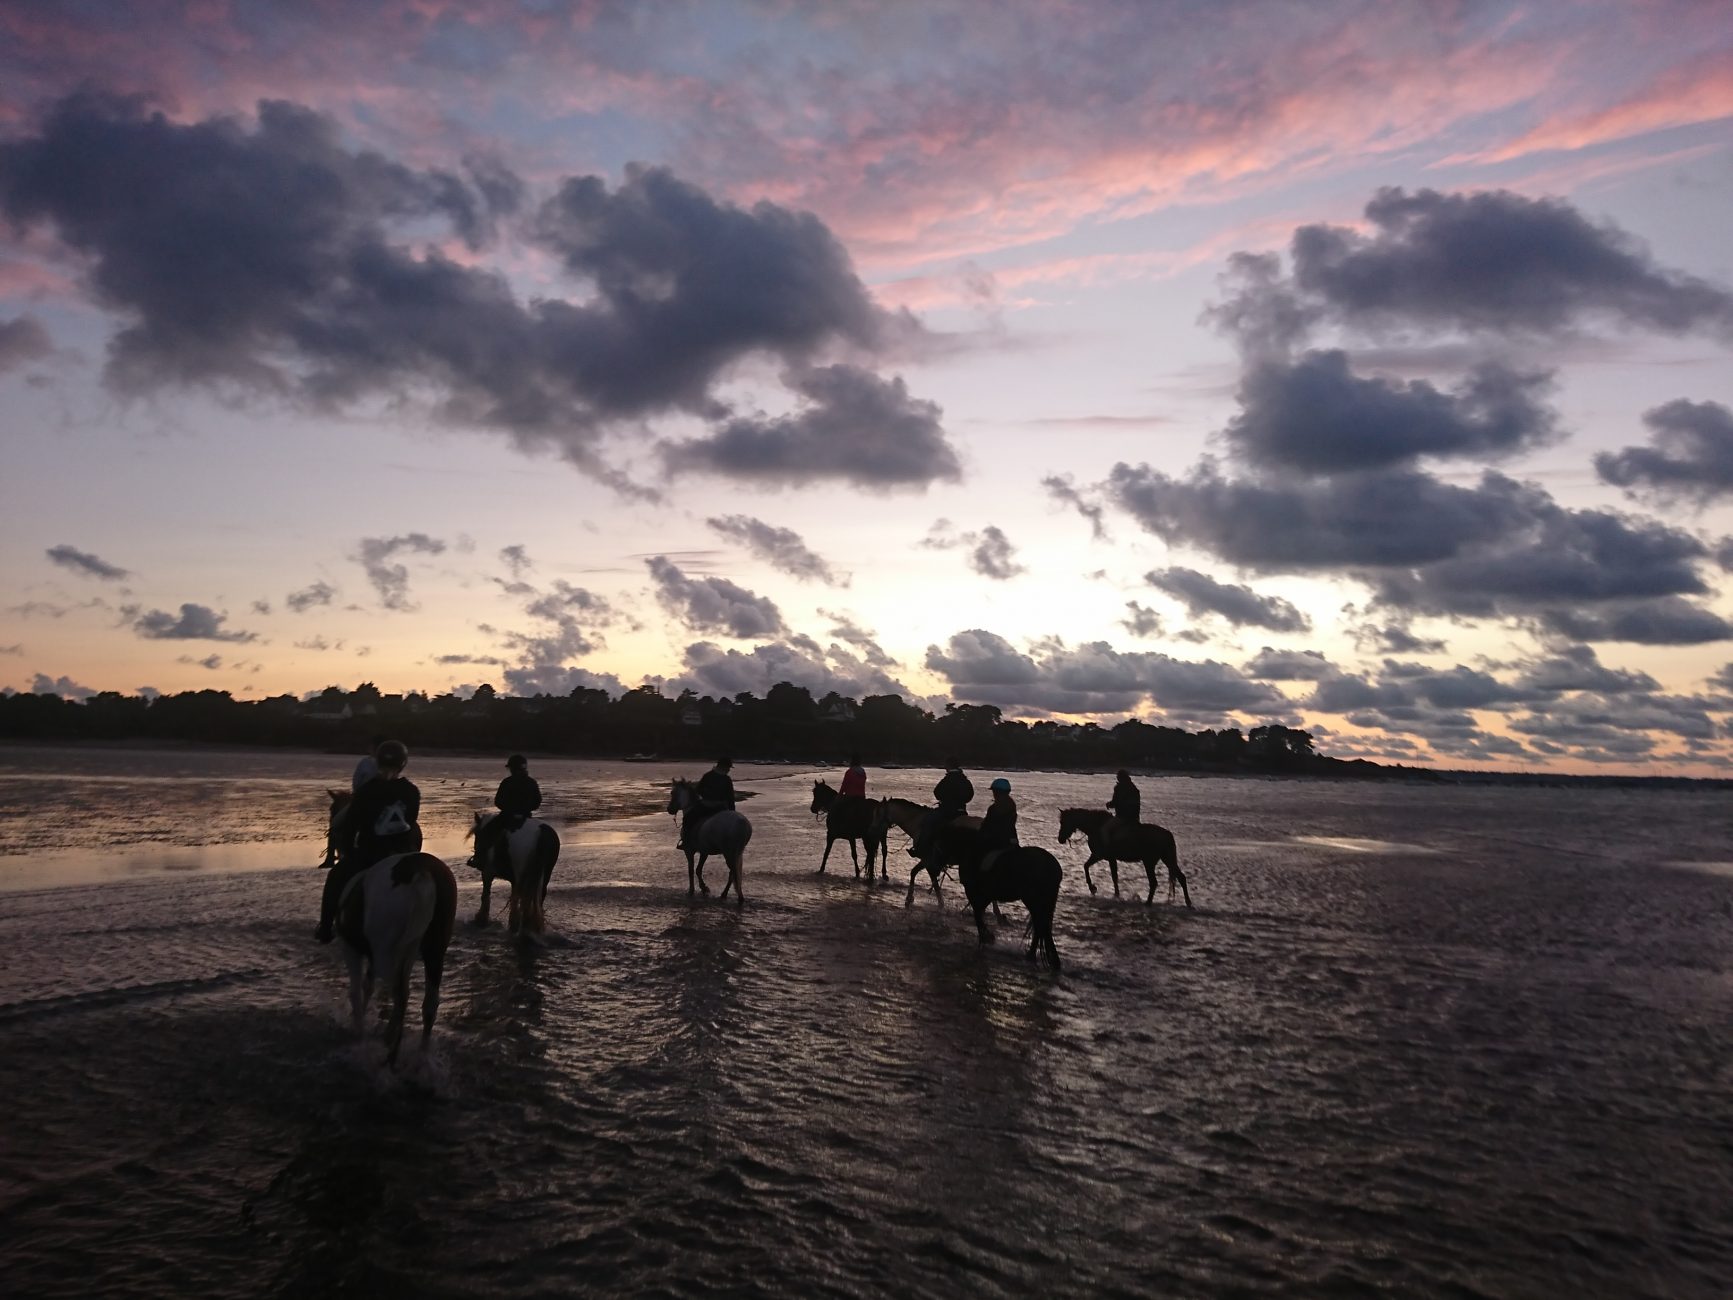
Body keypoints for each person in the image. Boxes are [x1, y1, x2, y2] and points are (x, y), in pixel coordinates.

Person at [316, 739, 421, 943]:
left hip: (372, 853)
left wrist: (348, 851)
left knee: (336, 877)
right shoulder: (411, 791)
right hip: (404, 853)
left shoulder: (366, 791)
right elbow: (411, 820)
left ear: (378, 762)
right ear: (403, 764)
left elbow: (351, 827)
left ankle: (326, 927)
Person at [473, 753, 543, 869]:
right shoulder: (532, 782)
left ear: (512, 768)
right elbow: (537, 802)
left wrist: (510, 810)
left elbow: (498, 802)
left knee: (486, 832)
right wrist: (524, 810)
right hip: (526, 816)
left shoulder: (507, 782)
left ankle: (479, 859)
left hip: (506, 817)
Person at [909, 758, 974, 858]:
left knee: (927, 821)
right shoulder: (965, 780)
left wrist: (945, 799)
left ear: (948, 766)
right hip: (961, 811)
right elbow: (970, 794)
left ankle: (920, 849)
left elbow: (937, 792)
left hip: (946, 811)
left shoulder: (947, 779)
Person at [971, 776, 1019, 875]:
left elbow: (988, 826)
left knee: (978, 860)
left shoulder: (994, 808)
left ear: (997, 792)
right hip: (1011, 840)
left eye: (994, 791)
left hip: (996, 841)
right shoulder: (1011, 804)